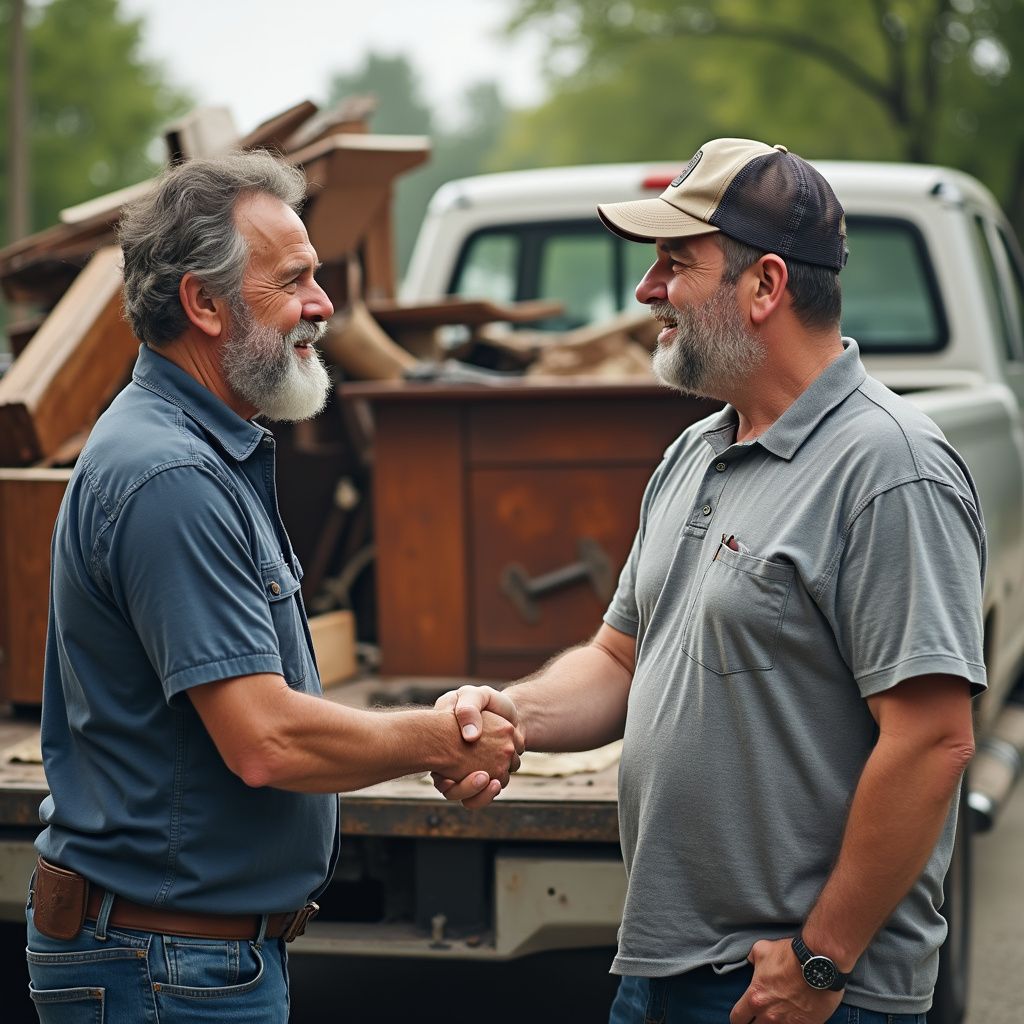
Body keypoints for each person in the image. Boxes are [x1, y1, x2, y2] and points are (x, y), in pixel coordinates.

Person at [432, 138, 985, 1024]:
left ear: (765, 286)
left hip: (792, 990)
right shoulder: (696, 451)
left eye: (674, 264)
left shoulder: (890, 468)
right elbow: (620, 660)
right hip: (659, 967)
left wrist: (820, 960)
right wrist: (507, 718)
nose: (647, 292)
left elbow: (931, 742)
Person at [26, 150, 521, 1023]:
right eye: (293, 281)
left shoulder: (202, 448)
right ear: (203, 305)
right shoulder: (170, 475)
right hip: (167, 967)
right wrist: (443, 739)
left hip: (182, 958)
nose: (323, 306)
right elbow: (266, 743)